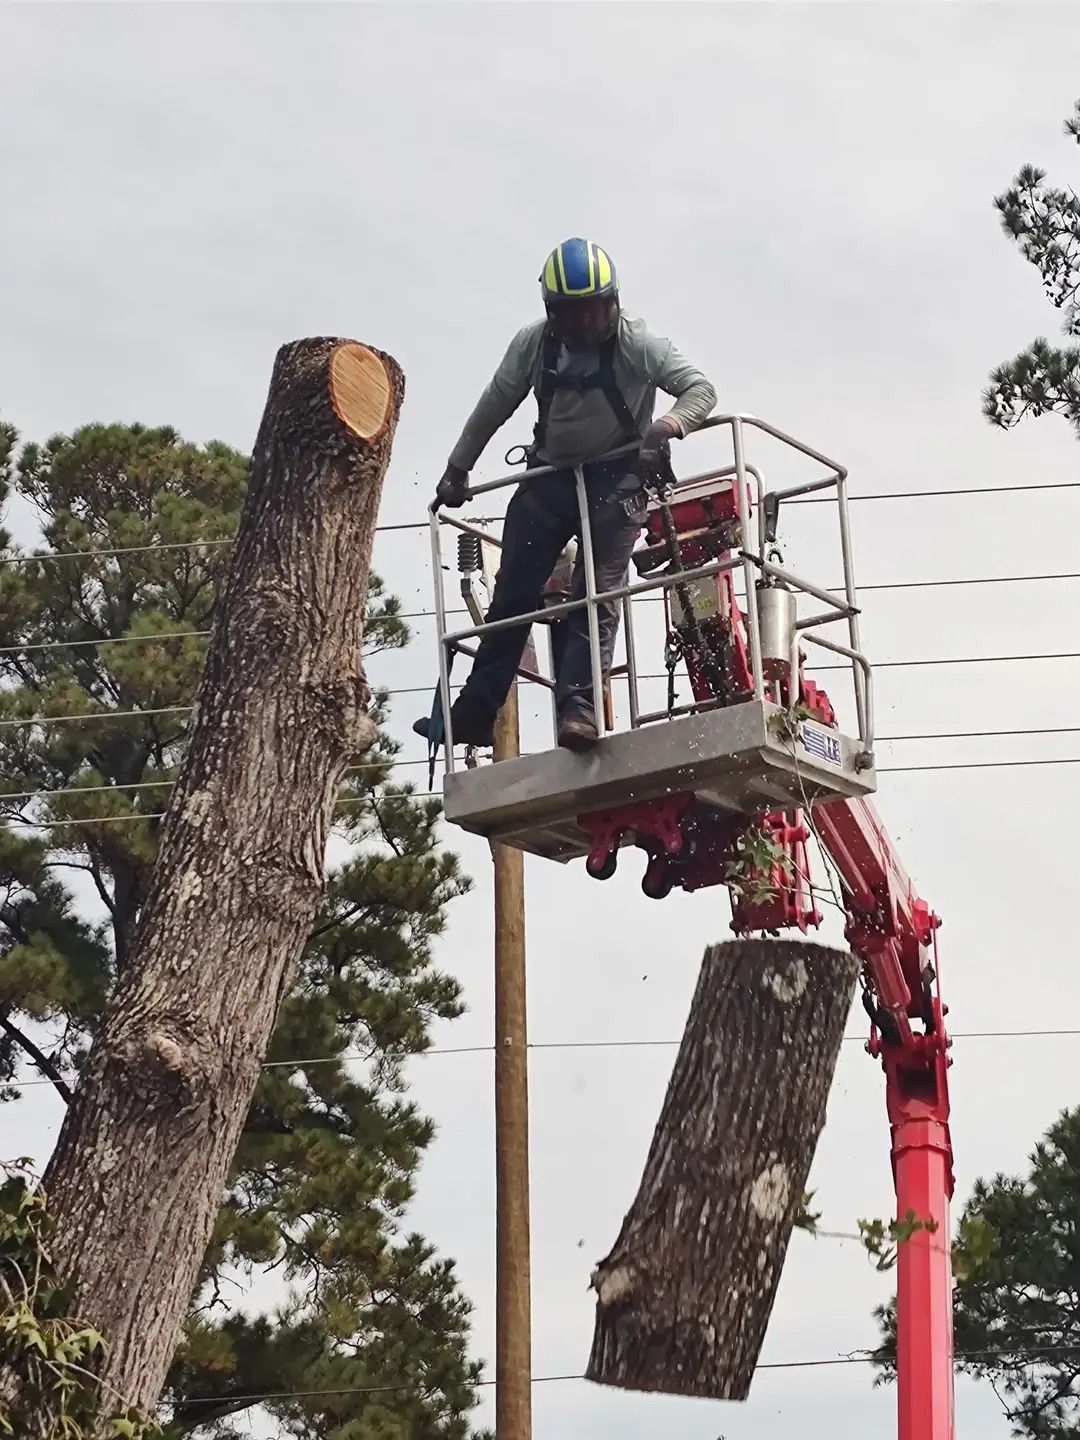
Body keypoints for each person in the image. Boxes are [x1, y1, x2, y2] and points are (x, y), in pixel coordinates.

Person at [424, 237, 717, 752]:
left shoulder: (637, 342)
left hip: (618, 479)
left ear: (614, 302)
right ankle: (474, 713)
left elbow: (701, 390)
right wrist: (457, 469)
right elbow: (494, 404)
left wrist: (666, 428)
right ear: (552, 311)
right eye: (573, 313)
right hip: (550, 478)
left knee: (594, 594)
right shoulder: (535, 346)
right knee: (512, 598)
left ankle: (578, 711)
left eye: (595, 310)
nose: (585, 323)